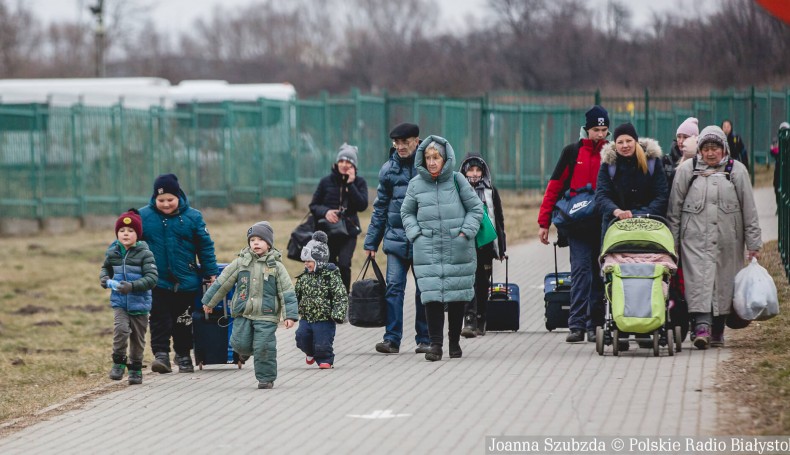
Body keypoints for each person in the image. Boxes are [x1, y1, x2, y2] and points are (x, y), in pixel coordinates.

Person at [667, 125, 762, 350]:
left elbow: (750, 209)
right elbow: (674, 211)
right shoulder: (686, 171)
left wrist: (754, 244)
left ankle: (717, 330)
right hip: (694, 242)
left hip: (728, 241)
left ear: (724, 149)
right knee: (697, 282)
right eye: (706, 148)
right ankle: (701, 328)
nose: (710, 153)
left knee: (723, 283)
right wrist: (671, 244)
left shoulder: (737, 171)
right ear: (699, 150)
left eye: (715, 148)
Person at [401, 136, 484, 361]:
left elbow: (476, 209)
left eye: (435, 157)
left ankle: (454, 343)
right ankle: (435, 345)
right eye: (427, 158)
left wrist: (465, 232)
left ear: (445, 158)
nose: (431, 162)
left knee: (457, 295)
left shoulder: (458, 180)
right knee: (431, 296)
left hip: (457, 246)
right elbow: (406, 212)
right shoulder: (416, 184)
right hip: (427, 247)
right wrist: (415, 234)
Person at [537, 105, 609, 343]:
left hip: (602, 225)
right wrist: (544, 222)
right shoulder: (571, 152)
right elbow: (555, 186)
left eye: (604, 130)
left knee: (600, 274)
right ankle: (576, 324)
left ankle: (595, 323)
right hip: (578, 226)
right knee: (580, 273)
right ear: (586, 129)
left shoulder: (610, 153)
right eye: (596, 129)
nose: (600, 134)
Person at [595, 123, 669, 350]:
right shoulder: (609, 166)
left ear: (636, 141)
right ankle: (620, 324)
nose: (625, 145)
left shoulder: (652, 163)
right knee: (616, 274)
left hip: (649, 226)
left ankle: (647, 323)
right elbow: (601, 195)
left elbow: (662, 194)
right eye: (620, 142)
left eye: (628, 141)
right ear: (614, 144)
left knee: (648, 273)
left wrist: (641, 214)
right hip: (617, 227)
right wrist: (616, 211)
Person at [201, 221, 299, 389]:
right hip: (243, 312)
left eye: (260, 240)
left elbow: (287, 292)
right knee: (239, 344)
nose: (255, 243)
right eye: (252, 240)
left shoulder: (276, 267)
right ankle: (245, 354)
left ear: (268, 243)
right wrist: (209, 301)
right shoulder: (241, 263)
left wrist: (290, 315)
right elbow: (222, 282)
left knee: (264, 347)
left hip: (266, 314)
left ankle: (265, 378)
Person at [139, 173, 218, 374]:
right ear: (154, 198)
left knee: (184, 321)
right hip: (157, 280)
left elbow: (205, 246)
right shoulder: (143, 217)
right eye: (161, 200)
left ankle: (183, 355)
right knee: (159, 320)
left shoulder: (193, 217)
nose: (166, 204)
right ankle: (161, 355)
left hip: (186, 281)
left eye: (170, 200)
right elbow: (130, 243)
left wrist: (210, 272)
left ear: (179, 196)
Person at [364, 122, 431, 355]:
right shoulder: (388, 170)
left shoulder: (429, 165)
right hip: (395, 238)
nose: (400, 147)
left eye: (404, 142)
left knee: (424, 289)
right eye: (396, 143)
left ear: (416, 141)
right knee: (393, 287)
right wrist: (371, 242)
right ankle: (392, 339)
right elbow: (380, 208)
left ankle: (425, 339)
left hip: (423, 240)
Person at [100, 209, 158, 385]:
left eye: (131, 231)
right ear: (117, 233)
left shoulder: (145, 254)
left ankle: (135, 368)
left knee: (137, 339)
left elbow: (152, 279)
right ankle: (118, 362)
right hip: (119, 302)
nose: (126, 234)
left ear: (138, 235)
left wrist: (132, 286)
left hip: (140, 303)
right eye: (122, 231)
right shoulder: (113, 252)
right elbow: (105, 268)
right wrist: (104, 278)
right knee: (121, 330)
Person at [458, 154, 506, 337]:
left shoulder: (491, 191)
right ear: (464, 170)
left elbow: (499, 220)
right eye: (471, 169)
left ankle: (481, 318)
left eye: (478, 170)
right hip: (466, 243)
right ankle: (468, 320)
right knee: (467, 281)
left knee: (482, 282)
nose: (475, 173)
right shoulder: (457, 190)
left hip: (485, 245)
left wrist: (501, 248)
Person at [309, 143, 368, 292]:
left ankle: (343, 298)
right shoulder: (325, 182)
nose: (344, 164)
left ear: (353, 165)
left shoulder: (359, 182)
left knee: (343, 264)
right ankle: (330, 298)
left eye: (348, 162)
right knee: (328, 265)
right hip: (327, 232)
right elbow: (313, 205)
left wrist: (351, 184)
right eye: (341, 161)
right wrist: (326, 212)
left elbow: (362, 206)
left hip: (348, 232)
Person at [294, 231, 348, 369]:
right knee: (301, 338)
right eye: (305, 261)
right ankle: (310, 352)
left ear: (319, 260)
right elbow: (295, 295)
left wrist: (338, 313)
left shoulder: (330, 276)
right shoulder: (303, 277)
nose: (306, 264)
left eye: (309, 261)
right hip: (306, 317)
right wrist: (291, 313)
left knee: (323, 344)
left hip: (324, 318)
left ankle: (325, 359)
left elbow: (340, 295)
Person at [662, 117, 699, 188]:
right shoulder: (667, 160)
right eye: (679, 136)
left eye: (685, 137)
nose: (681, 141)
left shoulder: (699, 161)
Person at [771, 122, 790, 212]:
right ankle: (779, 206)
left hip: (787, 169)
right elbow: (773, 152)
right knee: (776, 186)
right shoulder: (777, 140)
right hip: (779, 169)